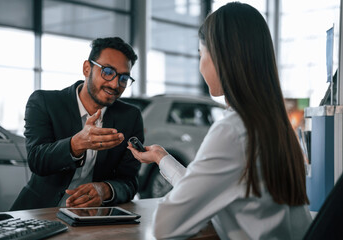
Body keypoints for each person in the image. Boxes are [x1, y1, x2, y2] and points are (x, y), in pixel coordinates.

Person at [128, 2, 312, 239]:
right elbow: (212, 188)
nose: (200, 65)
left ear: (222, 58)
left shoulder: (232, 131)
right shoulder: (275, 124)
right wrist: (162, 159)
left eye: (201, 54)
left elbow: (166, 225)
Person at [11, 37, 144, 210]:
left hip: (92, 217)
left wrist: (105, 190)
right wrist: (76, 144)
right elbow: (37, 160)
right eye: (108, 72)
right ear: (87, 69)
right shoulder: (44, 102)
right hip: (41, 210)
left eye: (124, 78)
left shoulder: (130, 116)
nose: (115, 84)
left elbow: (129, 181)